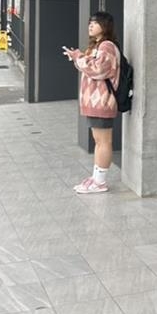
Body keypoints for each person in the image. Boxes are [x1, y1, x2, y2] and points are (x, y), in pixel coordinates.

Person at [64, 10, 120, 195]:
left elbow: (98, 69)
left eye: (95, 23)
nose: (90, 25)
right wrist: (78, 58)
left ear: (105, 26)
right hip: (95, 102)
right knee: (99, 140)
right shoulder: (97, 46)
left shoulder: (107, 46)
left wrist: (79, 58)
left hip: (102, 102)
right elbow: (89, 67)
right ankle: (96, 178)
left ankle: (100, 182)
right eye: (90, 22)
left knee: (103, 141)